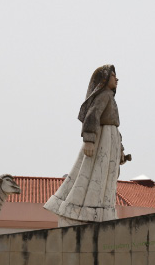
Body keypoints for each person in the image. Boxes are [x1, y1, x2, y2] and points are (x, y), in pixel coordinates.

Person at [44, 64, 128, 225]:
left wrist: (120, 151)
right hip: (102, 139)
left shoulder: (109, 96)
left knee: (104, 178)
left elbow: (115, 128)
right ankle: (84, 210)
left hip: (110, 139)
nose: (116, 78)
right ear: (103, 79)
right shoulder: (103, 95)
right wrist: (89, 140)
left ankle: (101, 211)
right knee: (94, 175)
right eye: (112, 75)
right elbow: (92, 116)